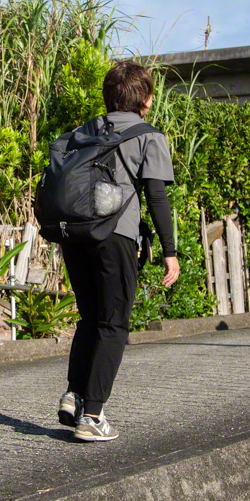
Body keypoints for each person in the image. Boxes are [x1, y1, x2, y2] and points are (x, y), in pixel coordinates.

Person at [57, 61, 180, 442]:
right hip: (116, 238)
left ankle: (75, 394)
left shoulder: (84, 131)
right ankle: (92, 416)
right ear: (145, 99)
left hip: (75, 236)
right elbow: (157, 197)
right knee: (113, 325)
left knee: (90, 318)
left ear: (109, 96)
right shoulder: (148, 135)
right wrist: (169, 251)